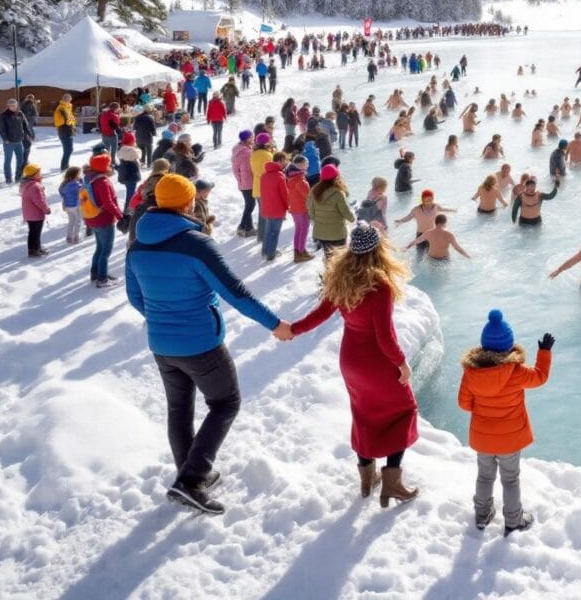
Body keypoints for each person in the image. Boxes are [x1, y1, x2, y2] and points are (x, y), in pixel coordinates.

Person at [126, 173, 288, 515]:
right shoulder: (196, 243)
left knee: (178, 408)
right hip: (200, 342)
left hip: (161, 343)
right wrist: (275, 325)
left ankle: (188, 474)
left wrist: (162, 317)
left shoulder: (137, 243)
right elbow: (235, 292)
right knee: (226, 402)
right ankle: (192, 479)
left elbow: (135, 297)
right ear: (188, 203)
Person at [290, 224, 420, 507]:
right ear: (378, 250)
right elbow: (385, 338)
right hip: (376, 362)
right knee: (403, 410)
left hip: (350, 361)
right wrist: (402, 364)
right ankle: (392, 484)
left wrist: (293, 329)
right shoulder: (380, 287)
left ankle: (367, 479)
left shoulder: (339, 279)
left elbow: (319, 315)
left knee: (364, 416)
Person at [458, 309, 553, 533]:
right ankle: (513, 520)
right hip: (510, 440)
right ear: (509, 345)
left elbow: (463, 403)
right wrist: (544, 352)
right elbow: (540, 377)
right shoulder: (516, 372)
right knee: (510, 480)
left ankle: (482, 515)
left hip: (483, 439)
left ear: (483, 345)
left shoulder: (471, 373)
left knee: (484, 476)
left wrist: (482, 410)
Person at [83, 153, 124, 287]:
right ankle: (102, 279)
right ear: (104, 167)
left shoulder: (90, 179)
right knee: (105, 250)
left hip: (93, 219)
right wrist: (120, 215)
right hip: (103, 220)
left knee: (99, 248)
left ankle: (96, 273)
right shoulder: (103, 182)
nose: (111, 167)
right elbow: (108, 203)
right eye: (109, 165)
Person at [308, 165, 354, 254]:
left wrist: (319, 221)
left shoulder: (314, 190)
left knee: (328, 256)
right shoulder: (338, 193)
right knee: (340, 258)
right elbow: (346, 212)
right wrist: (352, 218)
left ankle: (329, 268)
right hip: (337, 233)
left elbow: (310, 211)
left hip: (321, 232)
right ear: (336, 178)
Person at [258, 153, 289, 261]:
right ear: (280, 161)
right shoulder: (280, 176)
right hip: (277, 208)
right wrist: (286, 207)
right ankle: (271, 254)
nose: (286, 163)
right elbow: (284, 194)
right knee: (275, 232)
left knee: (268, 230)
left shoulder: (264, 175)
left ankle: (265, 250)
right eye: (285, 160)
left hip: (267, 207)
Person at [0, 98, 32, 185]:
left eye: (14, 105)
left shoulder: (20, 114)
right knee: (8, 160)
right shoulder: (3, 115)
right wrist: (5, 139)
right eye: (10, 105)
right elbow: (2, 129)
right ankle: (8, 178)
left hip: (19, 141)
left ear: (17, 105)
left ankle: (18, 177)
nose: (12, 107)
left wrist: (29, 134)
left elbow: (25, 125)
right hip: (9, 142)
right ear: (8, 106)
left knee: (20, 160)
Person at [20, 164, 51, 257]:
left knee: (32, 232)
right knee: (36, 232)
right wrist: (46, 209)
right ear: (34, 174)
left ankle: (31, 249)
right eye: (38, 172)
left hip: (28, 213)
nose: (40, 174)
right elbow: (39, 201)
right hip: (36, 214)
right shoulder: (35, 186)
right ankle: (37, 249)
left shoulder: (25, 184)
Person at [286, 157, 312, 262]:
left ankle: (298, 251)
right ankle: (301, 252)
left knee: (298, 229)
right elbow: (309, 197)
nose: (308, 165)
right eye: (306, 163)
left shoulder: (291, 177)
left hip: (294, 208)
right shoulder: (300, 180)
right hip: (302, 208)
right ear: (300, 165)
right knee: (304, 229)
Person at [231, 130, 256, 237]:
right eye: (251, 137)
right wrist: (242, 181)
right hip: (248, 182)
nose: (253, 138)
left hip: (244, 182)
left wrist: (239, 181)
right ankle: (241, 226)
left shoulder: (239, 149)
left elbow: (235, 170)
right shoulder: (245, 152)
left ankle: (249, 228)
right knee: (250, 205)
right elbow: (249, 169)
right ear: (246, 139)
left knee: (249, 204)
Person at [117, 132, 143, 209]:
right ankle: (128, 210)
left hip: (124, 174)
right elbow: (140, 154)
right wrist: (135, 147)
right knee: (130, 195)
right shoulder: (132, 151)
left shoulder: (121, 149)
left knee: (130, 191)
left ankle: (128, 208)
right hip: (132, 175)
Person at [59, 166, 83, 244]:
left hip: (67, 205)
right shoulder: (75, 184)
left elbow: (61, 192)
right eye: (79, 174)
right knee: (78, 221)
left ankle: (69, 237)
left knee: (71, 221)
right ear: (75, 175)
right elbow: (82, 190)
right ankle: (76, 237)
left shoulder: (64, 184)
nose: (80, 175)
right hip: (76, 205)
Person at [53, 94, 76, 171]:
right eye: (67, 99)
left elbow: (71, 118)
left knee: (69, 149)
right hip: (64, 130)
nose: (69, 101)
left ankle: (66, 165)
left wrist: (73, 126)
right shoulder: (62, 108)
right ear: (64, 99)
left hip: (68, 130)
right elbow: (65, 120)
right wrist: (71, 124)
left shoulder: (68, 107)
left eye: (70, 99)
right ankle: (64, 166)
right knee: (68, 149)